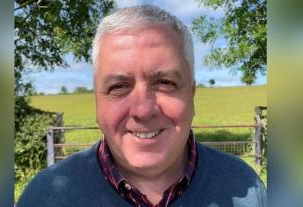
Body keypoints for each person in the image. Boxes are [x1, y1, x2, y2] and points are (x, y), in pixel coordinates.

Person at [17, 5, 266, 207]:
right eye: (118, 86)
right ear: (97, 100)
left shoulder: (246, 188)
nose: (143, 110)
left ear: (191, 94)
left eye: (165, 83)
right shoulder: (46, 196)